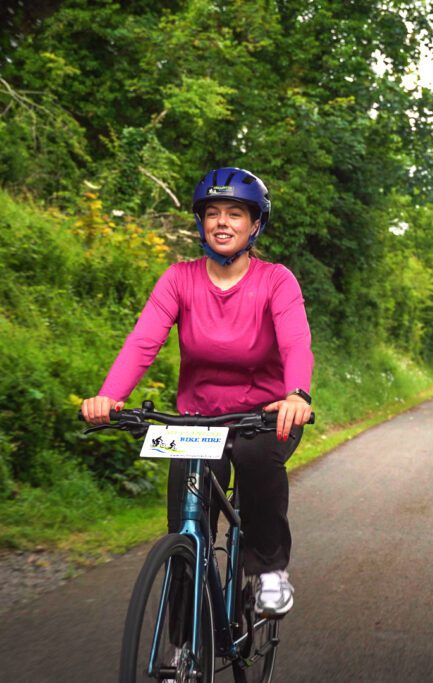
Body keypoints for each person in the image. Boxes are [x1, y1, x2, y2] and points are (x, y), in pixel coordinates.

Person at [81, 166, 313, 617]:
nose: (222, 222)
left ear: (255, 224)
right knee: (186, 521)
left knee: (253, 459)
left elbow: (295, 341)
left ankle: (269, 572)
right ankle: (178, 648)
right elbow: (143, 341)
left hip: (264, 417)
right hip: (197, 421)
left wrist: (297, 394)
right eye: (212, 212)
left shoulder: (276, 280)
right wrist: (109, 395)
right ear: (201, 223)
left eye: (234, 213)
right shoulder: (178, 279)